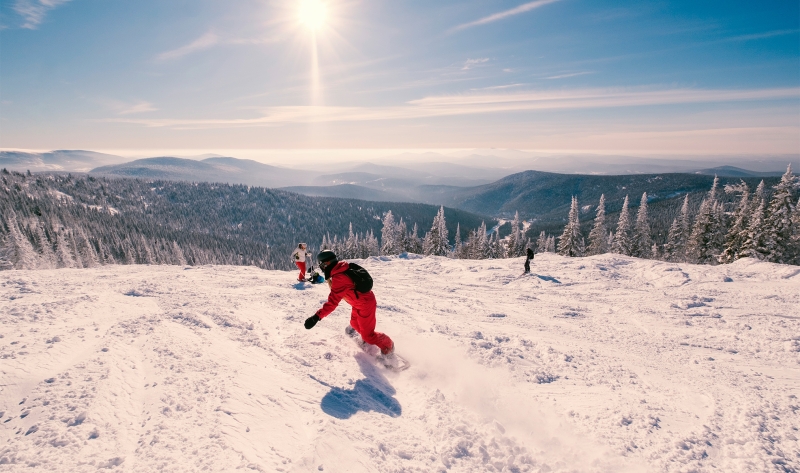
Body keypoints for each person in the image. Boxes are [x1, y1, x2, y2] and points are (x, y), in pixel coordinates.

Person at [303, 250, 394, 356]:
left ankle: (388, 346)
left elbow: (332, 303)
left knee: (368, 336)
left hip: (365, 305)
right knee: (354, 324)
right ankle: (368, 339)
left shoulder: (339, 278)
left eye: (322, 265)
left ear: (327, 263)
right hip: (358, 304)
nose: (322, 268)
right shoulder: (340, 269)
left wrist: (316, 317)